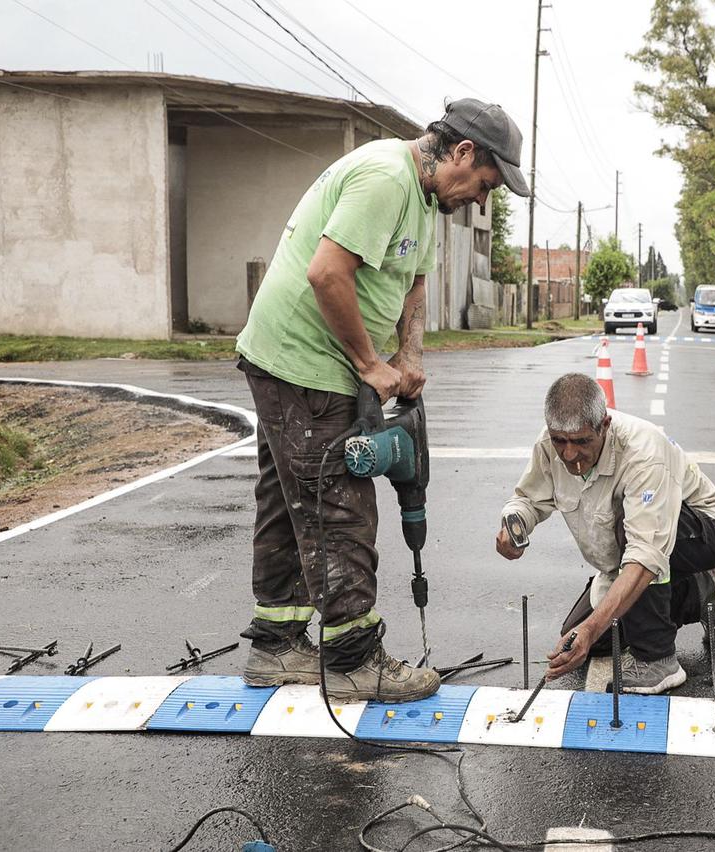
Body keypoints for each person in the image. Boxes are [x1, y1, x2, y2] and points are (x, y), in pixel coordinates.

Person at [235, 98, 530, 702]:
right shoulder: (385, 178)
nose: (481, 199)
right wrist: (372, 364)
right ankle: (352, 660)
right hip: (302, 361)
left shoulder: (424, 201)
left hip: (303, 363)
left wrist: (410, 356)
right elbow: (327, 274)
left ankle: (277, 645)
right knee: (337, 503)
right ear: (463, 152)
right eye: (484, 183)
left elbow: (413, 281)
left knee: (288, 498)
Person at [496, 373, 715, 694]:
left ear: (605, 425)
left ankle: (658, 659)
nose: (569, 454)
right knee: (580, 641)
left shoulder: (643, 454)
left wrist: (593, 627)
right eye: (560, 441)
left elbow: (644, 556)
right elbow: (529, 499)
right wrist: (515, 525)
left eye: (581, 442)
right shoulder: (549, 443)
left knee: (602, 615)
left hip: (703, 531)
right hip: (628, 554)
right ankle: (697, 592)